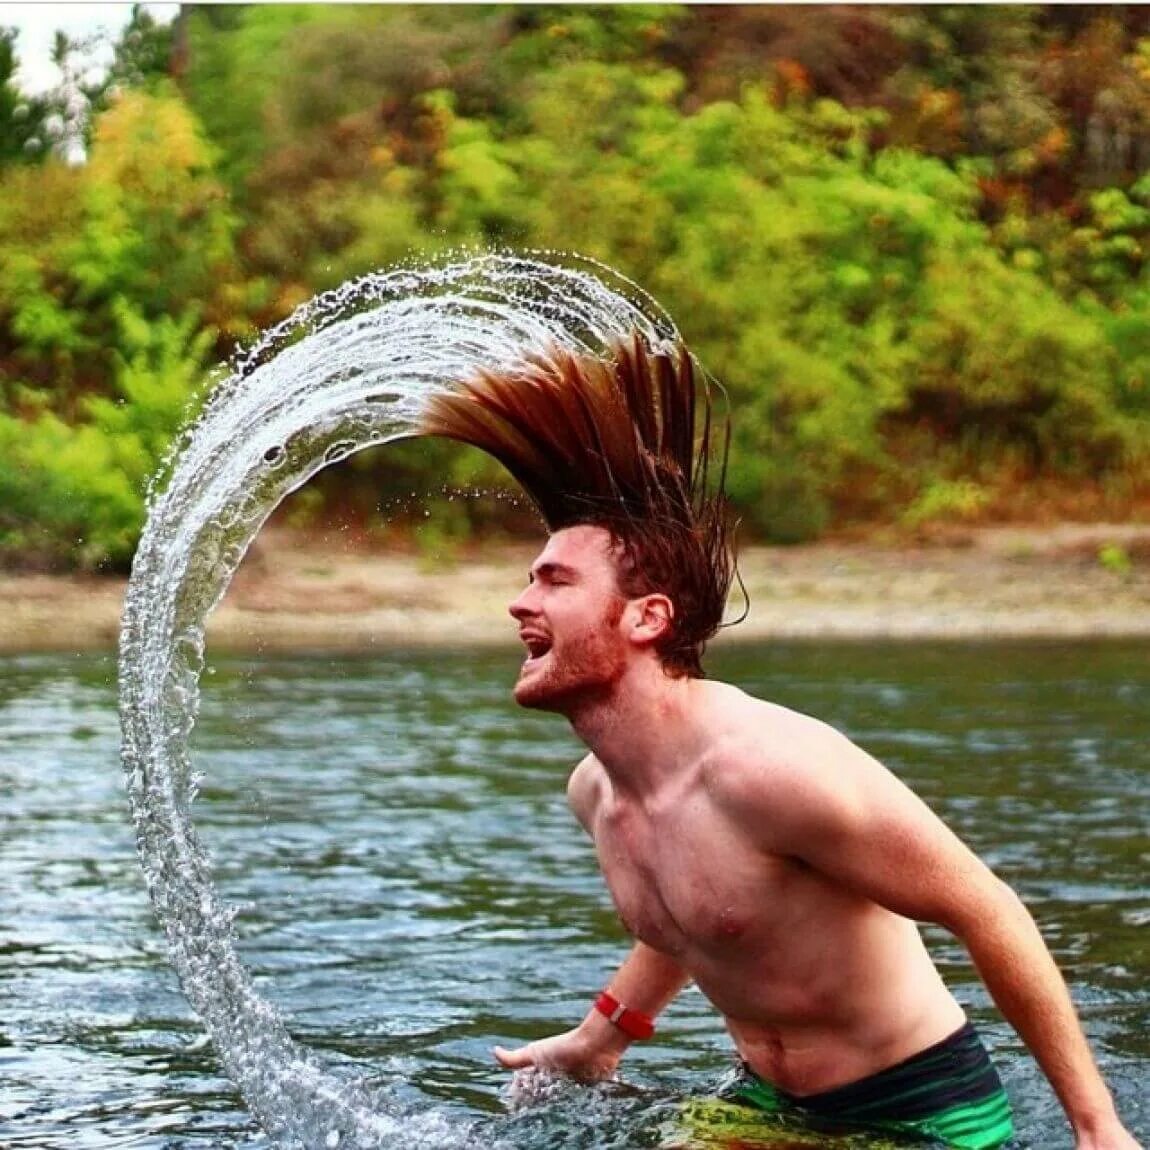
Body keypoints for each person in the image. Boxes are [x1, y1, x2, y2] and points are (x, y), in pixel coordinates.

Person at [418, 335, 1142, 1150]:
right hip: (766, 1103)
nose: (520, 603)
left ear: (646, 618)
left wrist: (1097, 1127)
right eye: (529, 577)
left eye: (554, 581)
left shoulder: (775, 771)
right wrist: (601, 1038)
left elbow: (988, 909)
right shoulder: (598, 791)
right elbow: (692, 921)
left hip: (923, 1113)